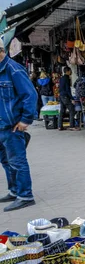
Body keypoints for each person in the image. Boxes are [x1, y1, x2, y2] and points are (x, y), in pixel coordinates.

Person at [0, 38, 37, 212]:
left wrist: (25, 120)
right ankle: (14, 191)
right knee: (6, 161)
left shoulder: (13, 69)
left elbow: (30, 95)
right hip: (2, 126)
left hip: (12, 126)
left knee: (17, 161)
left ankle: (25, 195)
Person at [58, 67, 78, 131]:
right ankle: (72, 126)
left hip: (61, 96)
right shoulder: (67, 78)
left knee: (62, 111)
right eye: (70, 71)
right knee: (72, 110)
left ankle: (60, 126)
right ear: (68, 71)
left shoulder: (61, 78)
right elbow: (67, 89)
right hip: (65, 96)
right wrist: (71, 98)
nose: (71, 72)